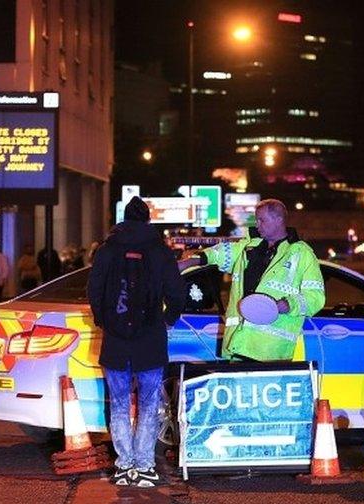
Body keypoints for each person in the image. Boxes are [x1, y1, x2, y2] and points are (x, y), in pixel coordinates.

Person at [87, 197, 185, 488]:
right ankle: (144, 466)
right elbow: (177, 292)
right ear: (147, 220)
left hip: (116, 341)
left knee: (118, 404)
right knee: (148, 402)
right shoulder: (160, 251)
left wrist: (103, 320)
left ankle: (123, 465)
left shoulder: (107, 250)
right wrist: (167, 320)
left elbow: (95, 289)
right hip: (150, 339)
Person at [176, 199, 325, 361]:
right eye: (257, 220)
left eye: (262, 220)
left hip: (270, 352)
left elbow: (316, 297)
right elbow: (218, 254)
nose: (258, 225)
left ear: (279, 220)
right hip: (238, 345)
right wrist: (188, 262)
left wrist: (289, 304)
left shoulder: (301, 254)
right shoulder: (249, 247)